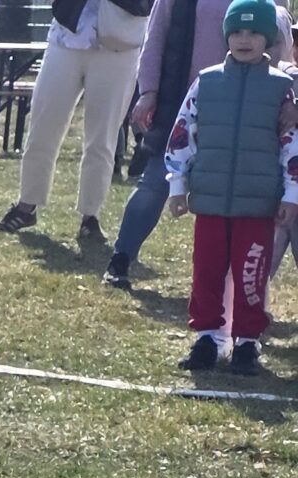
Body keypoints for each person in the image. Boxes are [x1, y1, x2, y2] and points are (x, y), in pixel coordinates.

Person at [106, 0, 293, 286]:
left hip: (252, 106)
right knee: (156, 182)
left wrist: (286, 95)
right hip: (184, 101)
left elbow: (281, 40)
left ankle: (236, 289)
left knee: (247, 204)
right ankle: (121, 258)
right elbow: (155, 38)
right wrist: (149, 91)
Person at [162, 0, 298, 373]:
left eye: (254, 32)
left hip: (257, 206)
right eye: (237, 31)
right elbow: (182, 133)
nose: (244, 39)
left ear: (269, 39)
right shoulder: (206, 82)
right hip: (210, 201)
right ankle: (207, 337)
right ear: (226, 35)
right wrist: (177, 184)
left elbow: (292, 146)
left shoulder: (282, 90)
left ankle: (247, 342)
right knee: (206, 271)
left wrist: (291, 193)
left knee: (251, 275)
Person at [0, 0, 155, 243]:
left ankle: (90, 216)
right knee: (42, 127)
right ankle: (26, 206)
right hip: (65, 38)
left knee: (102, 138)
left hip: (119, 46)